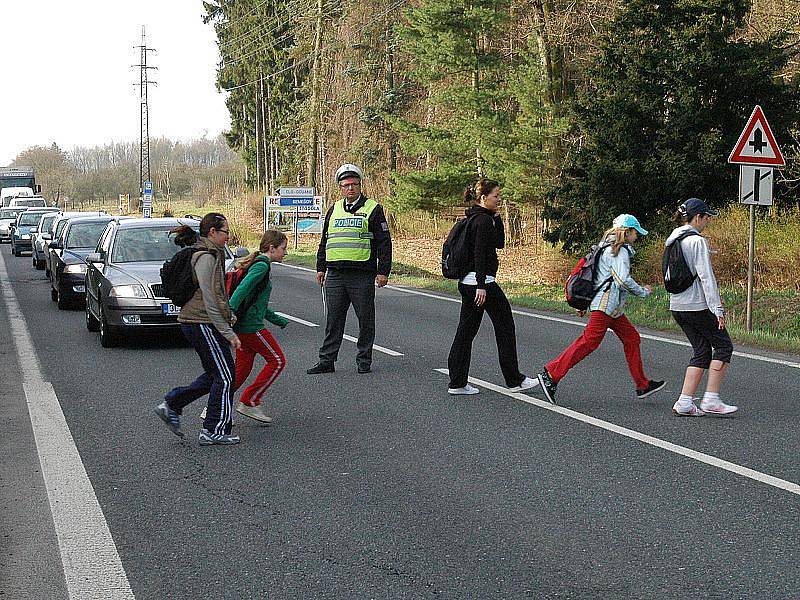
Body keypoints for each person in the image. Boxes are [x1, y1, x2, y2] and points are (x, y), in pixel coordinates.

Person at [536, 214, 665, 404]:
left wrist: (586, 304)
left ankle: (642, 384)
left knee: (632, 338)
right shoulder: (618, 251)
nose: (637, 236)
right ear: (627, 232)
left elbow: (596, 278)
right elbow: (622, 280)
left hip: (611, 308)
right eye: (635, 232)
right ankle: (551, 374)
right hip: (606, 306)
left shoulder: (604, 247)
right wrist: (643, 291)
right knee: (589, 342)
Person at [155, 213, 242, 445]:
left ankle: (172, 404)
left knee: (216, 374)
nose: (228, 237)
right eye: (225, 232)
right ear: (212, 233)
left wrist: (228, 315)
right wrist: (227, 331)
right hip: (200, 322)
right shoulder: (205, 256)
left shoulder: (214, 253)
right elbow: (209, 298)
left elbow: (218, 295)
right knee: (225, 377)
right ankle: (213, 429)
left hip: (203, 321)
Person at [446, 178, 536, 395]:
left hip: (470, 283)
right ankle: (514, 380)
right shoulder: (481, 222)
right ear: (483, 197)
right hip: (481, 283)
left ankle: (457, 383)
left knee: (466, 332)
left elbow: (499, 243)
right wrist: (481, 286)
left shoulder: (479, 218)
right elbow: (480, 254)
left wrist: (499, 219)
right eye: (496, 196)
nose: (499, 199)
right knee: (504, 326)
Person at [307, 163, 392, 375]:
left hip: (361, 275)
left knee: (365, 320)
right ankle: (327, 360)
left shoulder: (373, 208)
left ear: (360, 185)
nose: (351, 188)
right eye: (346, 185)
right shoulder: (334, 209)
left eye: (354, 184)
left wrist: (383, 271)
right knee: (333, 320)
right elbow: (324, 240)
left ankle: (364, 360)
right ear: (340, 188)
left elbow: (384, 242)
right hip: (335, 274)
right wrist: (320, 267)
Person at [666, 198, 737, 417]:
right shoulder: (696, 241)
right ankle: (711, 399)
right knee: (724, 346)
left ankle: (685, 402)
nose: (708, 222)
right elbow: (706, 277)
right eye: (707, 218)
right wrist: (717, 309)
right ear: (698, 217)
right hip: (696, 305)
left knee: (702, 350)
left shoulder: (672, 238)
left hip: (677, 305)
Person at [228, 229, 290, 424]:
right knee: (277, 360)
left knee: (241, 370)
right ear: (271, 248)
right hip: (250, 327)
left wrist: (278, 320)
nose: (285, 253)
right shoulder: (261, 266)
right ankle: (250, 401)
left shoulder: (259, 264)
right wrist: (229, 310)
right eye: (283, 248)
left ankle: (216, 406)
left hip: (245, 325)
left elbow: (256, 303)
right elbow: (243, 288)